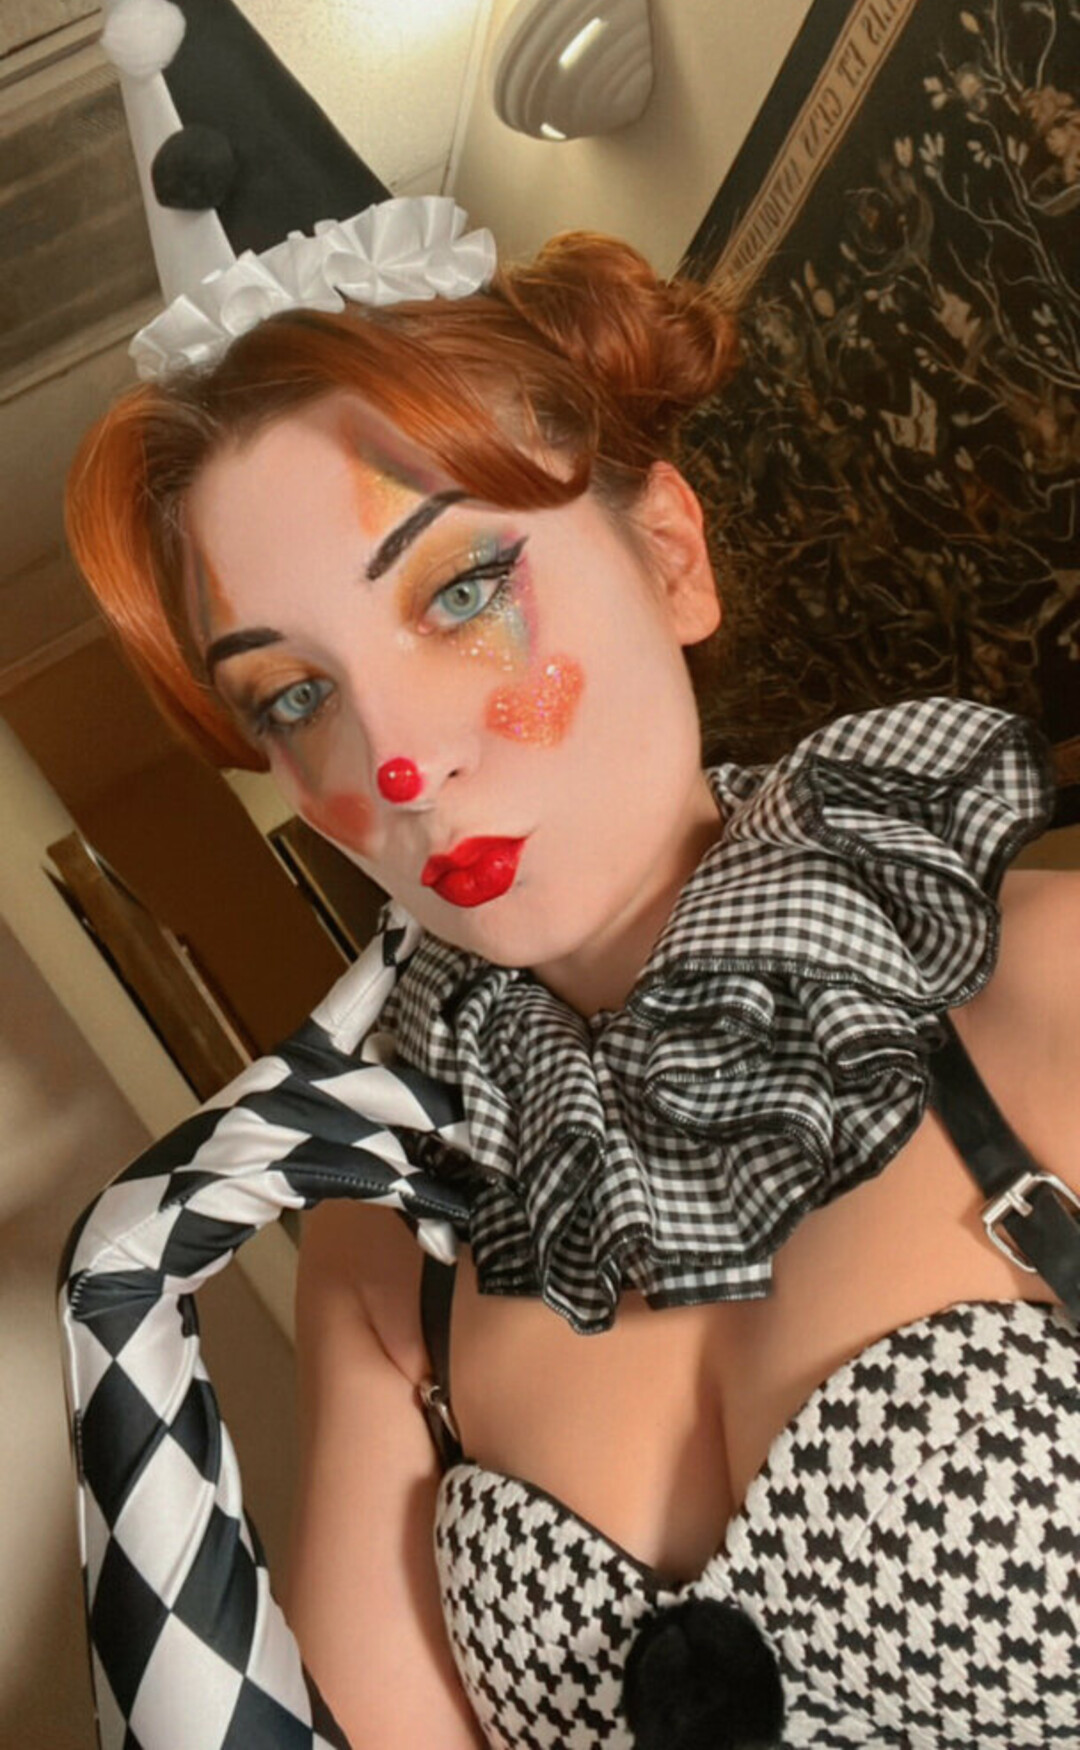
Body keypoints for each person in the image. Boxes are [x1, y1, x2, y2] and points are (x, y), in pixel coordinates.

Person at [64, 223, 1079, 1750]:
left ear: (671, 553)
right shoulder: (383, 1248)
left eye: (461, 589)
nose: (398, 763)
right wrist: (120, 1297)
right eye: (297, 695)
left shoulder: (1045, 984)